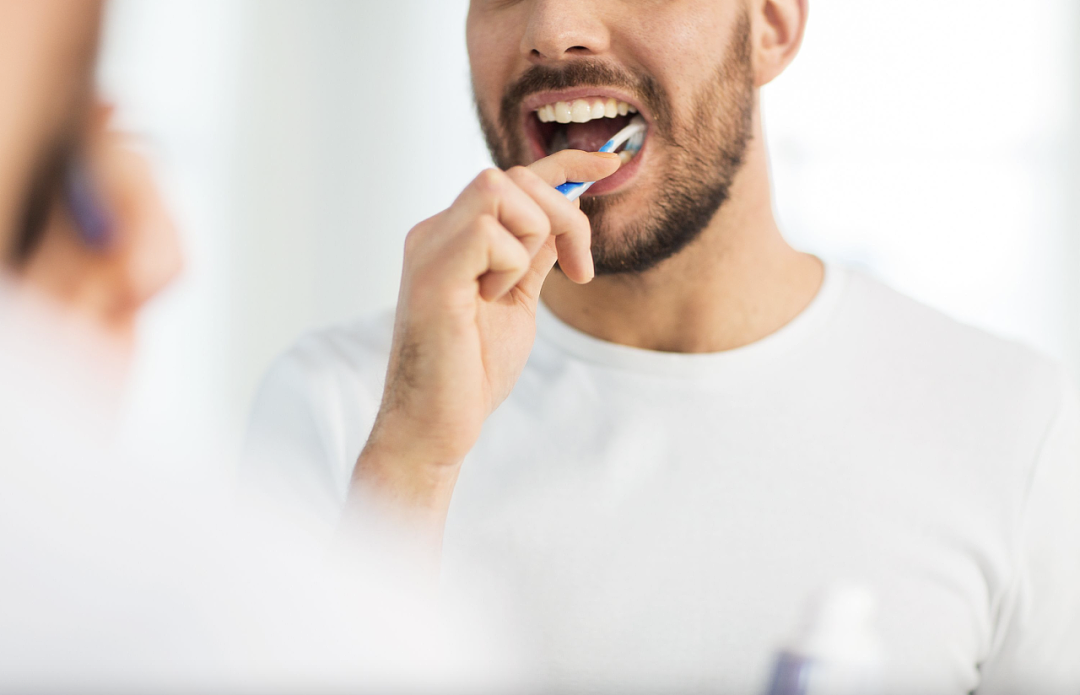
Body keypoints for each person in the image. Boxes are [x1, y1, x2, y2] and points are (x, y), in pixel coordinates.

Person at [244, 1, 1080, 693]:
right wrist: (413, 467)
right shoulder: (342, 408)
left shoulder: (1020, 429)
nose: (553, 25)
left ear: (773, 26)